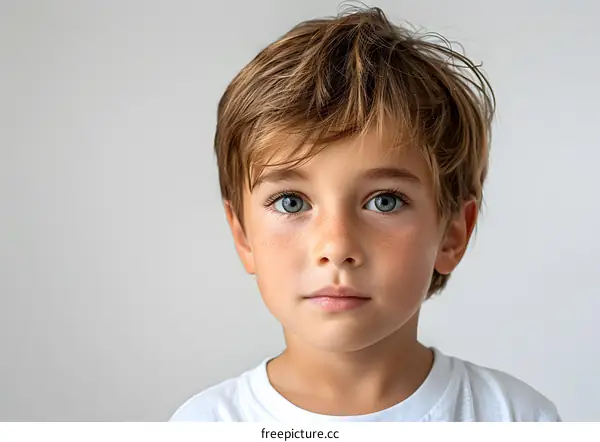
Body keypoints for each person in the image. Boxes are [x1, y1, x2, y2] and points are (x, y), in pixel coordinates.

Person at [169, 6, 560, 422]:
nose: (336, 247)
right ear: (243, 236)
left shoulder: (516, 418)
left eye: (384, 201)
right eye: (291, 202)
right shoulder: (205, 424)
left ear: (452, 234)